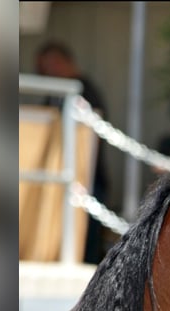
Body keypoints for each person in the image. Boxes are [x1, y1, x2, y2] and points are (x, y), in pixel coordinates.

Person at [34, 40, 111, 264]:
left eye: (46, 67)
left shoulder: (83, 91)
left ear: (60, 62)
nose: (44, 73)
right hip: (66, 179)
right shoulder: (57, 91)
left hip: (87, 179)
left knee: (86, 246)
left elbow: (88, 136)